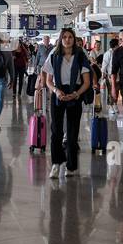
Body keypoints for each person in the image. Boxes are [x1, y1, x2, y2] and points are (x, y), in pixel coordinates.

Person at [43, 27, 92, 180]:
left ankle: (71, 166)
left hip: (75, 93)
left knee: (72, 132)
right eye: (64, 37)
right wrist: (56, 91)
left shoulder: (81, 56)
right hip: (58, 93)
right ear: (60, 39)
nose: (67, 39)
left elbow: (86, 82)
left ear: (74, 38)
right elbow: (48, 80)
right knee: (56, 131)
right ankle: (56, 164)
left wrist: (77, 94)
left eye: (70, 37)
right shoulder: (54, 55)